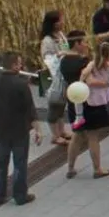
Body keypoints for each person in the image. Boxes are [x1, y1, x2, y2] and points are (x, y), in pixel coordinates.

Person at [0, 51, 42, 205]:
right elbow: (30, 110)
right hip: (19, 131)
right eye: (19, 63)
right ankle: (20, 195)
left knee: (0, 163)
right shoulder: (21, 85)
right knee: (20, 163)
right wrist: (38, 130)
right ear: (14, 65)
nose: (21, 66)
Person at [67, 39, 109, 179]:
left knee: (77, 135)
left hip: (81, 100)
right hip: (96, 104)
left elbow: (84, 79)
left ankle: (70, 167)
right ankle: (97, 169)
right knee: (93, 137)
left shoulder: (91, 64)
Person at [40, 10, 71, 146]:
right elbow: (48, 59)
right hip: (53, 77)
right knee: (54, 105)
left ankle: (62, 131)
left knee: (61, 104)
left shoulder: (60, 35)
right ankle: (55, 135)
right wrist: (60, 55)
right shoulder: (47, 41)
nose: (62, 22)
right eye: (59, 20)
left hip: (63, 74)